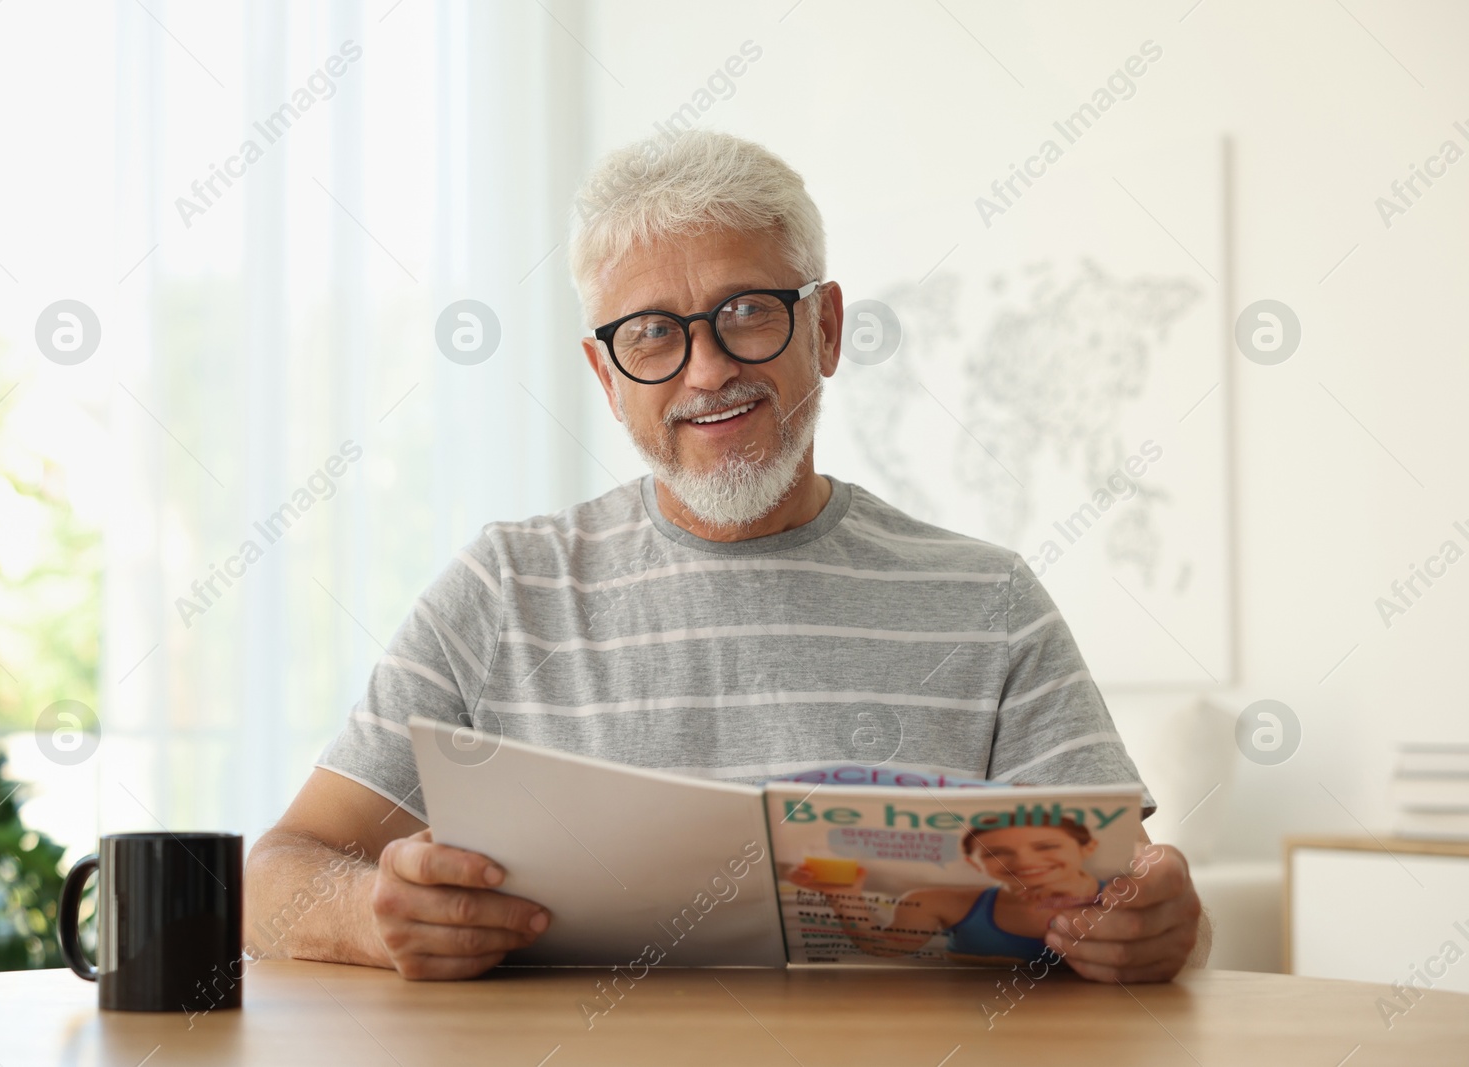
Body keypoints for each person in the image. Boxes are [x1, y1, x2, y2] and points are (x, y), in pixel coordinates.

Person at [244, 129, 1207, 983]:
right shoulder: (502, 590)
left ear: (825, 328)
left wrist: (1160, 928)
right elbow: (275, 872)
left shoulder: (989, 599)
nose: (707, 370)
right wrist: (369, 920)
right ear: (606, 375)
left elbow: (1140, 897)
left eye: (747, 310)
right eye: (653, 333)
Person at [785, 821, 1108, 965]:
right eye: (996, 853)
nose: (1024, 862)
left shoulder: (1124, 895)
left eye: (1047, 846)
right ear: (973, 863)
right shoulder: (940, 902)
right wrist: (845, 895)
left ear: (1088, 847)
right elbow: (884, 948)